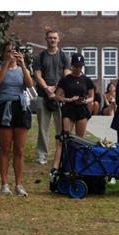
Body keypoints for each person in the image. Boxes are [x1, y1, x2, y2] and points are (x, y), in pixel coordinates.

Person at [0, 40, 34, 196]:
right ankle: (4, 184)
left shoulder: (23, 69)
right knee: (5, 148)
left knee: (20, 150)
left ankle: (19, 184)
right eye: (8, 51)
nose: (12, 54)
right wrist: (7, 63)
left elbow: (29, 85)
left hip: (21, 108)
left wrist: (23, 65)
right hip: (5, 107)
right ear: (4, 53)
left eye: (14, 51)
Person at [33, 29, 69, 167]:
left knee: (61, 129)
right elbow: (37, 75)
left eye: (54, 38)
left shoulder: (64, 57)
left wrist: (57, 88)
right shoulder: (40, 57)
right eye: (50, 38)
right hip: (43, 96)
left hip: (60, 97)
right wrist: (47, 88)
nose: (52, 40)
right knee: (43, 128)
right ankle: (42, 155)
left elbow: (66, 75)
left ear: (58, 39)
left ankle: (61, 155)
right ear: (46, 39)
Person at [53, 53, 96, 168]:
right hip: (69, 109)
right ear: (72, 66)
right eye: (76, 66)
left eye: (80, 66)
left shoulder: (87, 80)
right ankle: (57, 165)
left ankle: (78, 165)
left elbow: (92, 96)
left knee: (80, 140)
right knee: (65, 138)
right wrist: (68, 99)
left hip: (82, 109)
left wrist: (85, 101)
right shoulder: (65, 80)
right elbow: (57, 96)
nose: (78, 69)